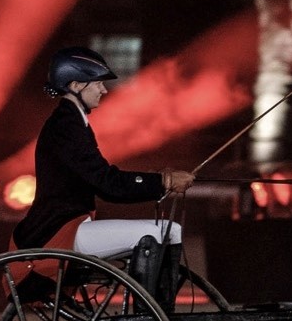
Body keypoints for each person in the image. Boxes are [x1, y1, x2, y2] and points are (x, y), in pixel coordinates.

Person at [11, 46, 195, 261]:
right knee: (160, 233)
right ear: (76, 85)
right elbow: (109, 185)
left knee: (169, 230)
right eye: (98, 83)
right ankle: (144, 296)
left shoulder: (73, 122)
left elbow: (106, 184)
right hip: (58, 230)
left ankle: (153, 295)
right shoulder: (66, 126)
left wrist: (161, 179)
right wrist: (164, 181)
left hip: (72, 224)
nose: (104, 90)